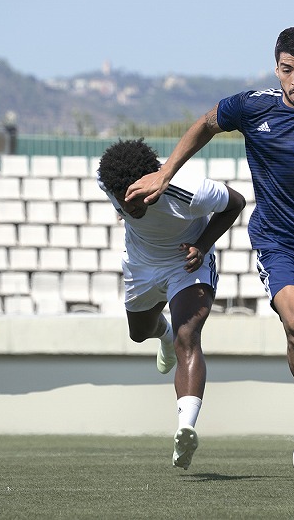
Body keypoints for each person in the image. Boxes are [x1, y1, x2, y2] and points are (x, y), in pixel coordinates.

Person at [125, 26, 294, 472]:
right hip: (279, 243)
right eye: (288, 70)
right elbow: (206, 123)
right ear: (277, 69)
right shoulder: (253, 106)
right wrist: (165, 172)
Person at [97, 138, 246, 470]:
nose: (129, 207)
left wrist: (202, 245)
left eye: (136, 199)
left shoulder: (191, 191)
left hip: (186, 263)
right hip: (141, 265)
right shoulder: (108, 181)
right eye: (123, 202)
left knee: (187, 336)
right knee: (139, 333)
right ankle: (162, 335)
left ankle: (185, 428)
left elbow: (236, 202)